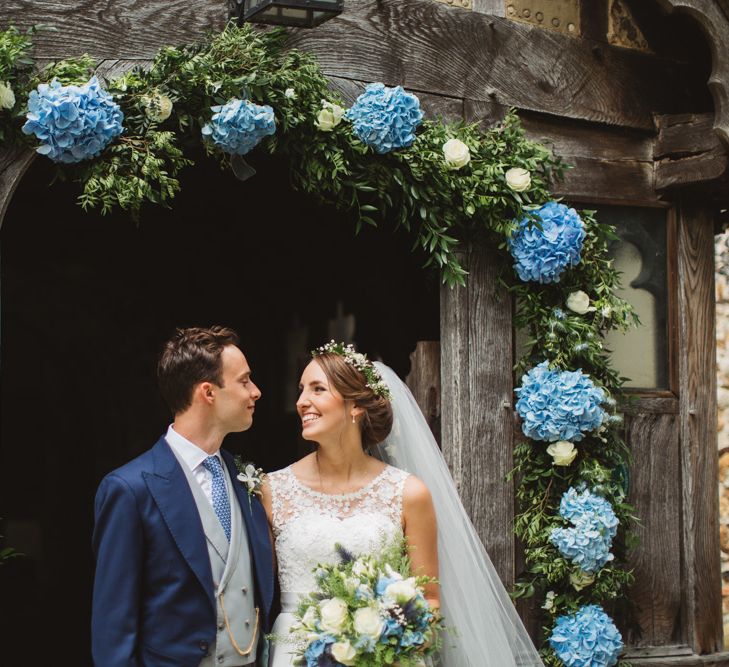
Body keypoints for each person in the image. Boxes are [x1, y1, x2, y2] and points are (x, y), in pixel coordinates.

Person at [262, 341, 544, 667]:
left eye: (317, 389)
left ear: (356, 406)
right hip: (293, 653)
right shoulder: (273, 489)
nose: (301, 402)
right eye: (301, 390)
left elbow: (431, 600)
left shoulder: (407, 493)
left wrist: (388, 649)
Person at [92, 326, 274, 667]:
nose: (257, 392)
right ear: (208, 392)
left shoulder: (246, 479)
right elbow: (113, 629)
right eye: (245, 381)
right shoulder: (130, 489)